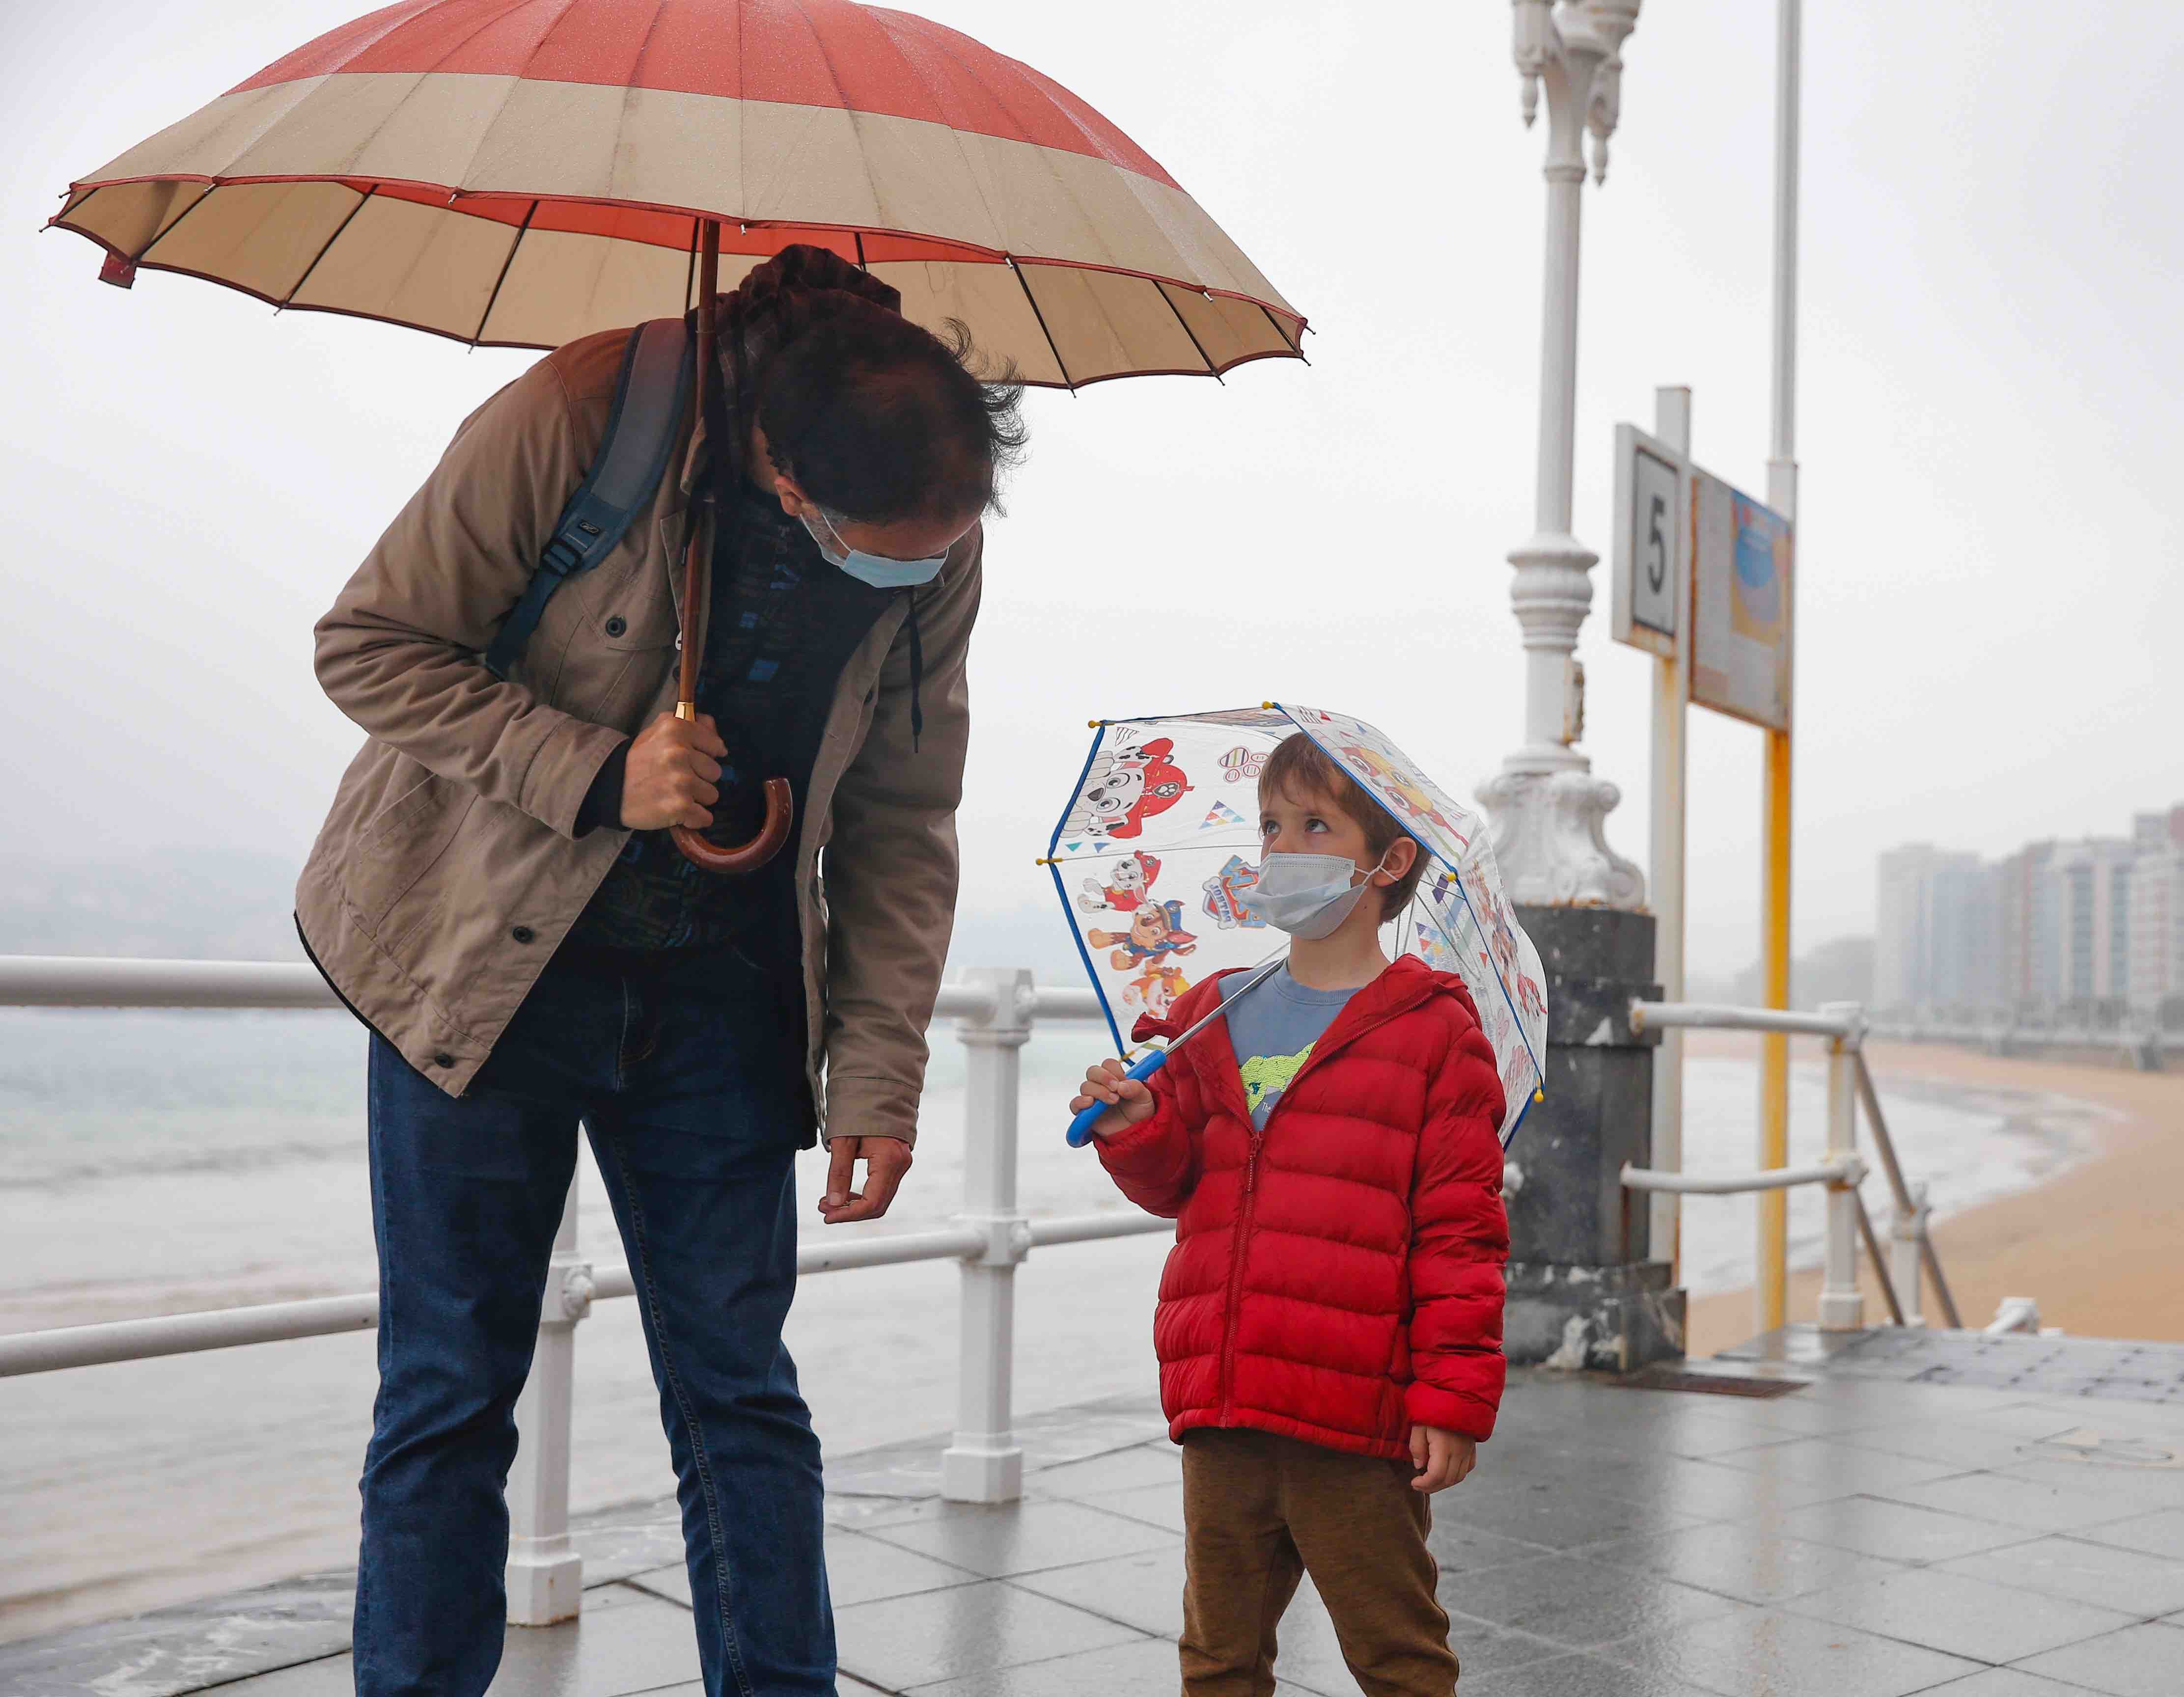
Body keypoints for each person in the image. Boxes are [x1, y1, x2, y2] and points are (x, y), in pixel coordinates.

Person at [295, 244, 1024, 1697]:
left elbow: (901, 813)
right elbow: (368, 644)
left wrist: (879, 1068)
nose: (912, 570)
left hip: (723, 1004)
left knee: (743, 1397)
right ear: (784, 472)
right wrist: (594, 770)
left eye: (935, 549)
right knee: (448, 1397)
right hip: (480, 974)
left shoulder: (928, 515)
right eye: (880, 544)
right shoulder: (584, 413)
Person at [1072, 732, 1510, 1697]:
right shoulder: (1211, 1012)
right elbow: (1174, 1185)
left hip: (1356, 1411)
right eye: (1271, 825)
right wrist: (1138, 1124)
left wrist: (1450, 1398)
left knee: (1397, 1652)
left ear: (1388, 862)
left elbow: (1460, 1236)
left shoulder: (1434, 1030)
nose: (1282, 848)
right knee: (1218, 1659)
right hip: (1224, 1394)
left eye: (1316, 825)